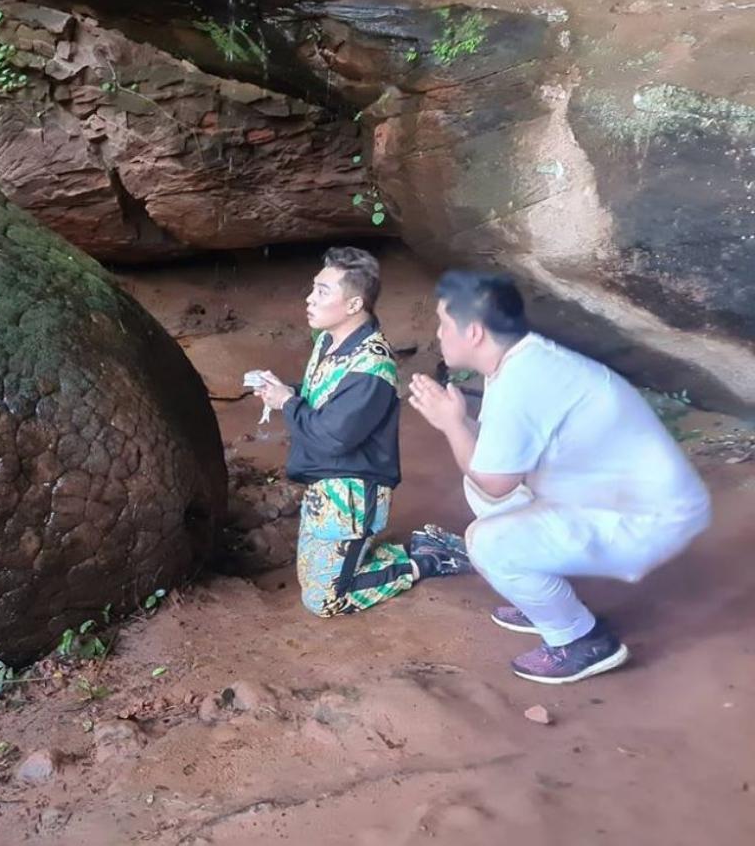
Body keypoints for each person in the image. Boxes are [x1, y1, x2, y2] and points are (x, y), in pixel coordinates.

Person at [408, 270, 711, 684]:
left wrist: (451, 424)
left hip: (647, 521)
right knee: (481, 489)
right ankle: (544, 599)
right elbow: (497, 461)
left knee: (488, 541)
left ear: (474, 332)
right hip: (620, 496)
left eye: (444, 323)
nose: (439, 333)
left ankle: (581, 640)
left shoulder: (521, 382)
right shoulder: (521, 360)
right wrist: (458, 422)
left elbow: (494, 482)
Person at [256, 247, 473, 619]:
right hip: (326, 483)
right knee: (313, 573)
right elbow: (326, 398)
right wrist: (287, 391)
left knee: (323, 600)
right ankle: (409, 545)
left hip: (351, 494)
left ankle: (424, 561)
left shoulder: (371, 366)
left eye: (322, 291)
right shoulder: (329, 341)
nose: (309, 298)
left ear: (354, 304)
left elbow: (333, 438)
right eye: (313, 288)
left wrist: (286, 402)